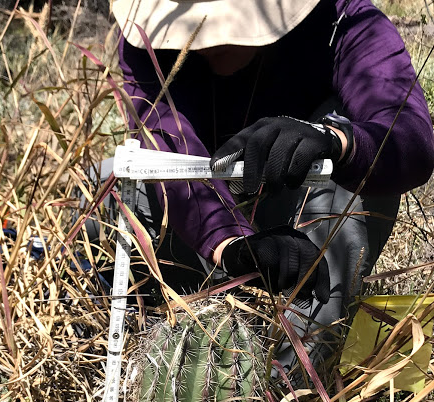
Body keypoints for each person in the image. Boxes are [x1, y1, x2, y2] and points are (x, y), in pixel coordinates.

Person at [110, 0, 434, 377]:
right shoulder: (147, 41)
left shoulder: (343, 20)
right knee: (120, 187)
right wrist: (231, 245)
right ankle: (168, 360)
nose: (210, 40)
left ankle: (292, 384)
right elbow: (169, 150)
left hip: (310, 212)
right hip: (202, 217)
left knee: (361, 169)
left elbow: (411, 139)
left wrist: (336, 142)